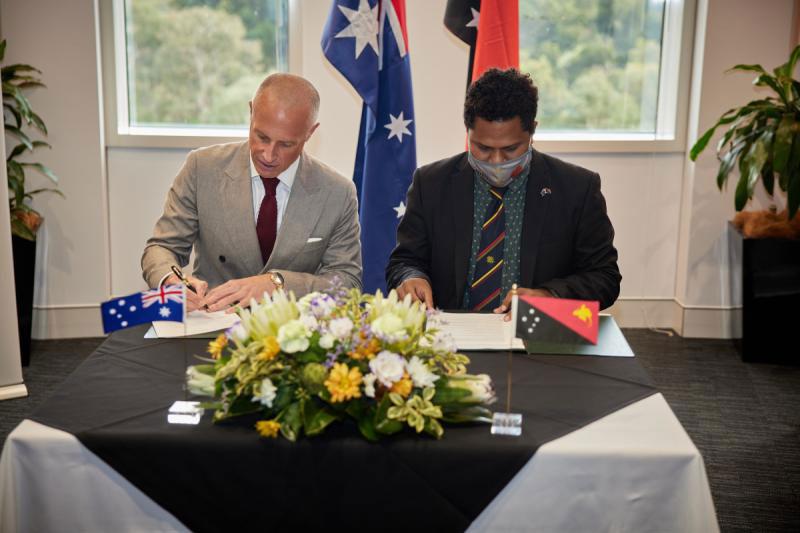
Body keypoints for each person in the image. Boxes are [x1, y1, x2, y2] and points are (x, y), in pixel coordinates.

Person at [386, 68, 620, 313]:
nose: (496, 161)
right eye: (483, 148)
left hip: (535, 339)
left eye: (510, 149)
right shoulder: (431, 183)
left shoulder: (577, 189)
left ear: (532, 131)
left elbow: (605, 278)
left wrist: (549, 295)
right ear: (468, 132)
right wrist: (411, 277)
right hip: (450, 336)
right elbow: (404, 261)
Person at [142, 74, 362, 311]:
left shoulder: (338, 193)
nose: (268, 155)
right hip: (212, 322)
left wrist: (278, 284)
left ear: (310, 133)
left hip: (294, 332)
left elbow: (347, 284)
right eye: (261, 137)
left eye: (286, 144)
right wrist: (172, 281)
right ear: (251, 112)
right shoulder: (202, 168)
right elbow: (161, 248)